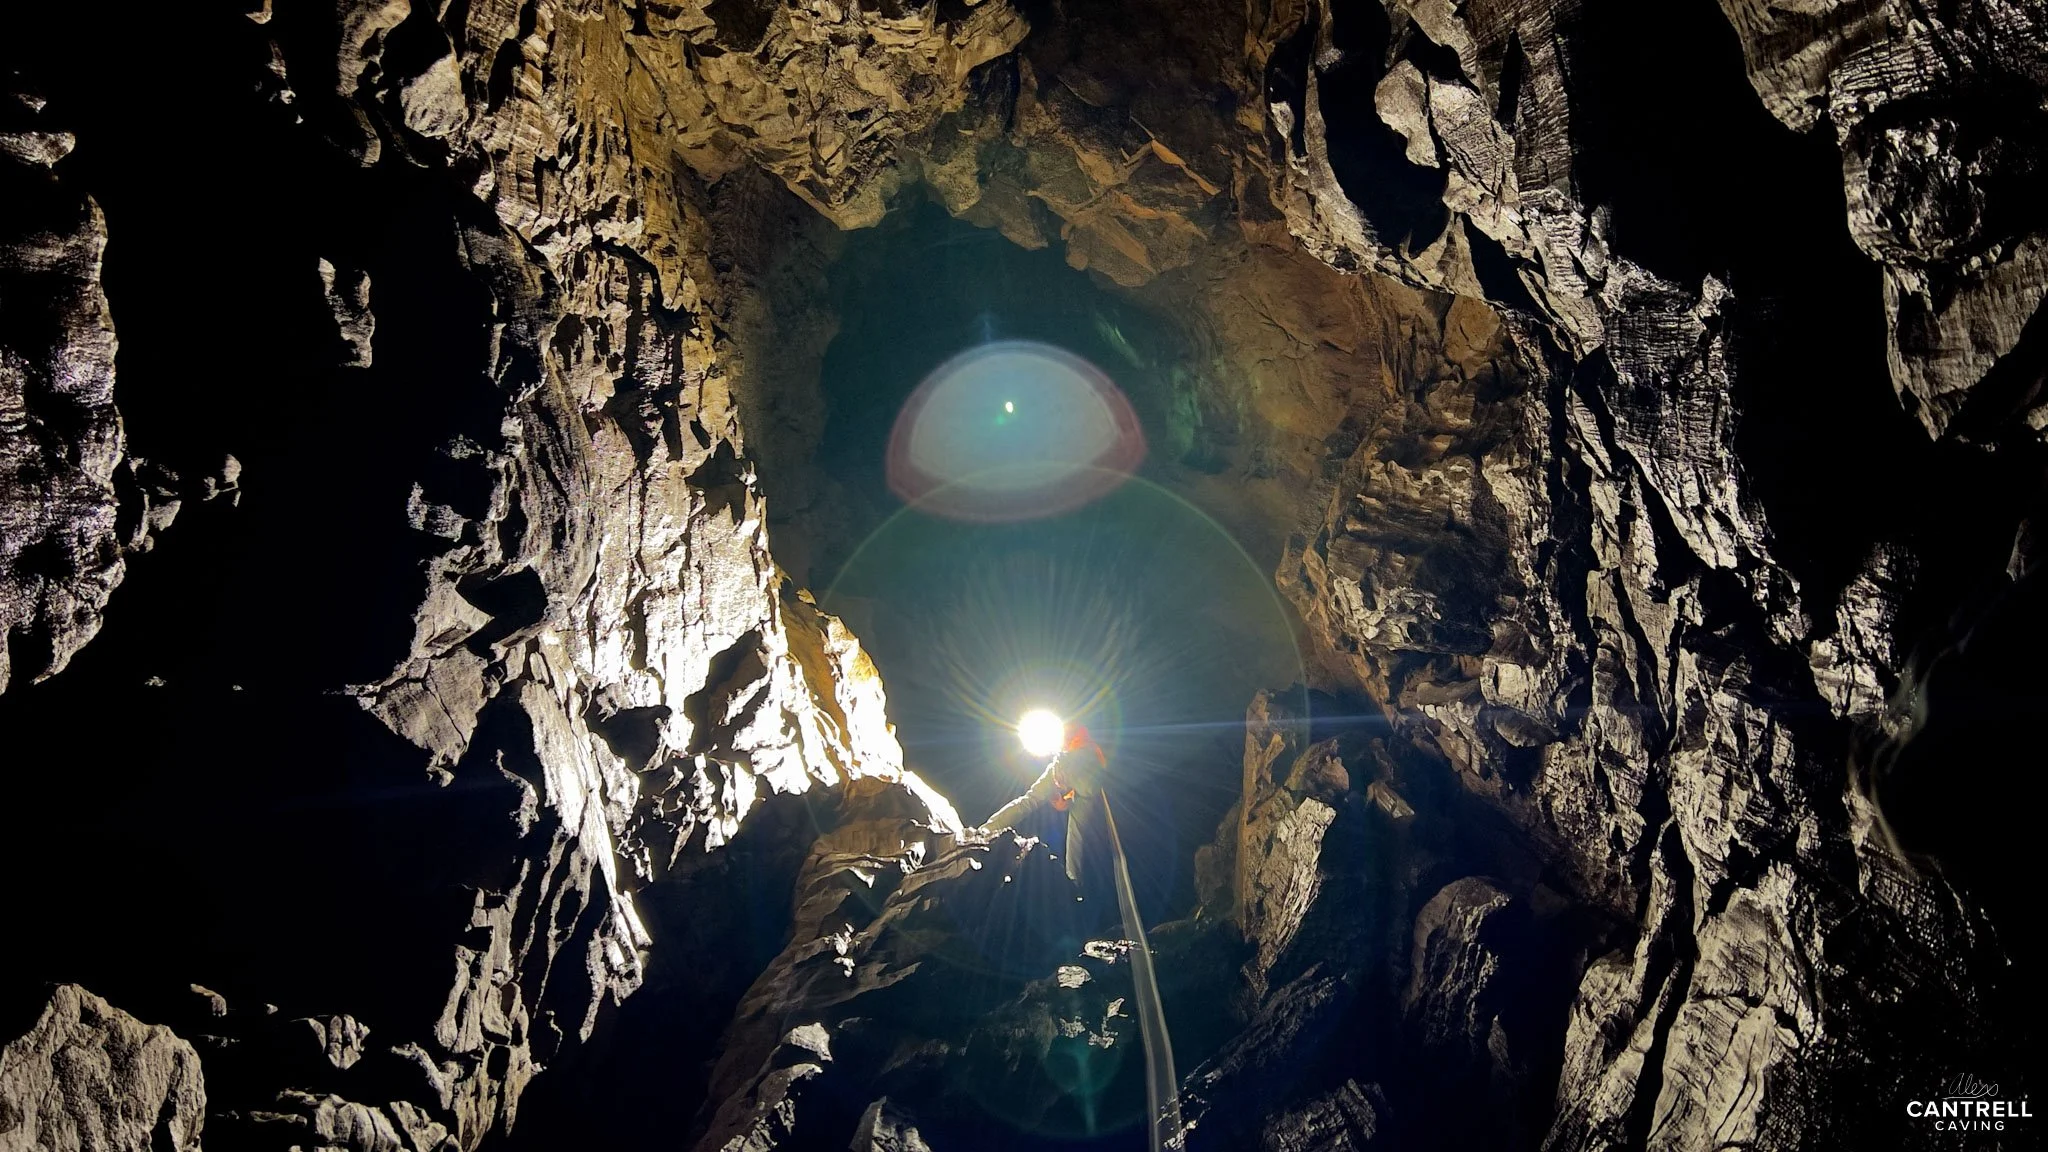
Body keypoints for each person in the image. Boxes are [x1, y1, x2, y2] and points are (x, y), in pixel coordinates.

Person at [982, 726, 1106, 886]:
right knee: (1077, 834)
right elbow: (1064, 800)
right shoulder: (1092, 750)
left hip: (1076, 766)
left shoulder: (1081, 739)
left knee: (1029, 801)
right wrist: (1061, 797)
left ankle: (985, 831)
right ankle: (1074, 882)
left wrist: (1060, 766)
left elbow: (1070, 743)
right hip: (1090, 784)